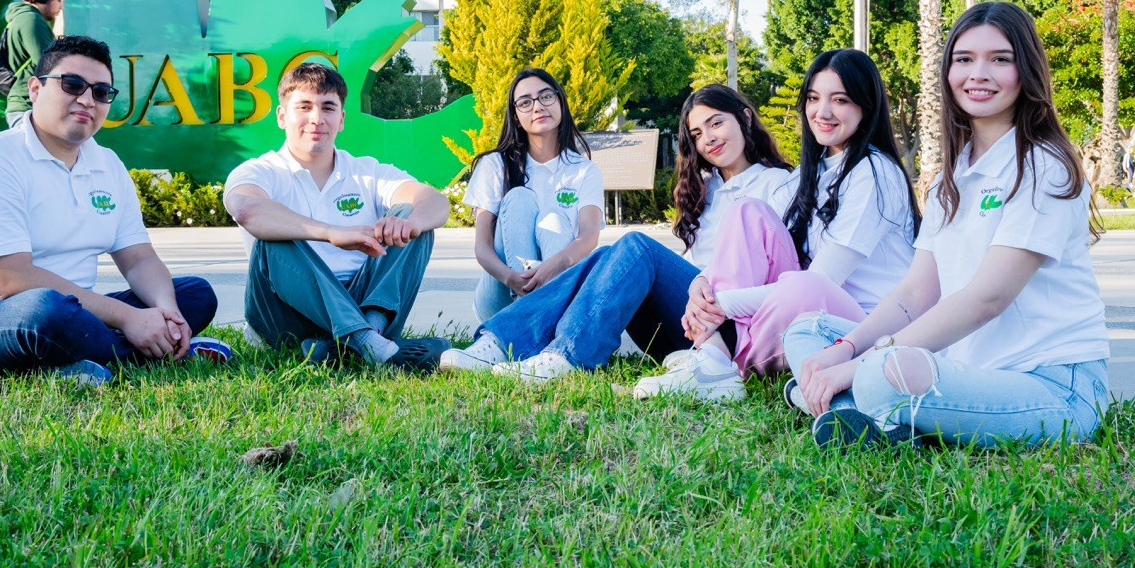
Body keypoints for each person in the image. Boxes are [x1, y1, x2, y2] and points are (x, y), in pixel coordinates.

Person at [784, 2, 1110, 449]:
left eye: (1000, 59)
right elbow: (915, 292)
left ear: (1027, 71)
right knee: (810, 331)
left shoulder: (1041, 166)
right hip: (966, 369)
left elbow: (987, 299)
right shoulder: (948, 180)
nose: (978, 74)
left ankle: (841, 402)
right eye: (964, 59)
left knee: (884, 371)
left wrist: (859, 365)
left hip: (1053, 385)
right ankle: (865, 416)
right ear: (948, 72)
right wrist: (845, 349)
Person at [0, 36, 228, 386]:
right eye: (72, 84)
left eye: (101, 92)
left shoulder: (107, 164)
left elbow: (138, 258)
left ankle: (81, 358)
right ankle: (147, 353)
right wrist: (129, 319)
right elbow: (10, 279)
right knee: (45, 311)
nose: (87, 100)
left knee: (195, 295)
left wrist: (166, 312)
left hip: (73, 312)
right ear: (35, 89)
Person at [439, 84, 791, 384]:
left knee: (636, 247)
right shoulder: (706, 189)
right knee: (608, 258)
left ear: (745, 118)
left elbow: (787, 274)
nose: (708, 138)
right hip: (682, 329)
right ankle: (501, 343)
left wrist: (709, 293)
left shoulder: (778, 184)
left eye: (716, 123)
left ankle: (564, 355)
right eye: (697, 134)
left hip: (730, 325)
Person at [632, 49, 920, 400]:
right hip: (805, 315)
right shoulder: (805, 176)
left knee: (805, 285)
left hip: (862, 329)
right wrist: (700, 285)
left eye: (840, 100)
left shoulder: (874, 173)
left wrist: (720, 304)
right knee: (747, 211)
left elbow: (823, 281)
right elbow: (749, 246)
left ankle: (718, 359)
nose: (822, 112)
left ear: (866, 106)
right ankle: (714, 359)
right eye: (813, 99)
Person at [223, 63, 452, 371]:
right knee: (274, 238)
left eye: (328, 107)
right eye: (304, 106)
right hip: (284, 314)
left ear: (341, 119)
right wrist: (330, 232)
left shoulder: (366, 171)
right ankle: (366, 341)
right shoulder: (260, 171)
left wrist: (409, 224)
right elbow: (247, 209)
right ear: (282, 116)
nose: (317, 118)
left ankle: (356, 338)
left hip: (361, 300)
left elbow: (435, 201)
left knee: (412, 220)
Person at [463, 69, 604, 322]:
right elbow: (482, 248)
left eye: (546, 96)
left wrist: (557, 263)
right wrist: (512, 278)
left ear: (560, 102)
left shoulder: (583, 170)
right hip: (502, 292)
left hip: (556, 285)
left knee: (553, 217)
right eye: (525, 102)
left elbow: (589, 235)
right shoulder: (494, 165)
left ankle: (538, 318)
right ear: (516, 116)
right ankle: (530, 316)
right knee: (519, 197)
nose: (538, 107)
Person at [0, 0, 73, 126]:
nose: (61, 7)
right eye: (59, 0)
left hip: (28, 105)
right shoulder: (31, 20)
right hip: (29, 108)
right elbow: (50, 66)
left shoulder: (23, 18)